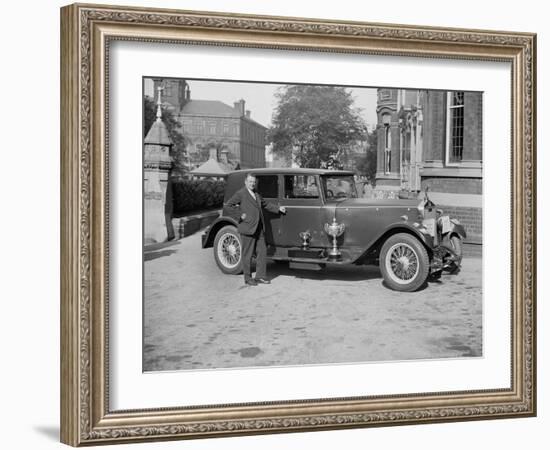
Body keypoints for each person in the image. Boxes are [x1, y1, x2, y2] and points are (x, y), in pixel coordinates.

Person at [225, 173, 286, 286]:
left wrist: (278, 209)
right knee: (247, 255)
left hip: (259, 228)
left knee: (262, 252)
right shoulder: (241, 193)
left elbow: (265, 204)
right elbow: (228, 205)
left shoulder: (256, 193)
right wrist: (240, 215)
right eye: (250, 181)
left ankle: (260, 276)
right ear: (245, 182)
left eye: (254, 182)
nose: (252, 183)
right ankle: (247, 279)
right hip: (247, 228)